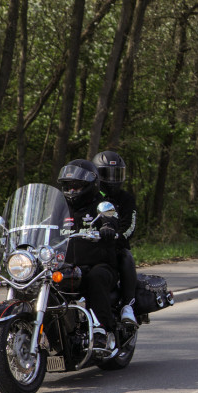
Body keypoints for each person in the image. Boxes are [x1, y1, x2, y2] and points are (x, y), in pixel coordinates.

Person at [57, 159, 121, 351]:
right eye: (69, 186)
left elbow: (112, 219)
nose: (73, 191)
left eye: (77, 186)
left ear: (89, 185)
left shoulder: (102, 206)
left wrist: (108, 227)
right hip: (66, 267)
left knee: (96, 277)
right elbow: (42, 226)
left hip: (98, 264)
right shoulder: (59, 209)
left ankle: (102, 329)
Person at [92, 150, 138, 326]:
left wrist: (117, 236)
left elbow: (130, 227)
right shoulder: (90, 197)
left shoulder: (125, 198)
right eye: (106, 174)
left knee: (126, 256)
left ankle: (128, 306)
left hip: (114, 247)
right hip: (87, 248)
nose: (112, 179)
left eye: (116, 174)